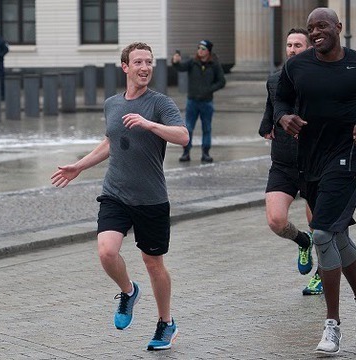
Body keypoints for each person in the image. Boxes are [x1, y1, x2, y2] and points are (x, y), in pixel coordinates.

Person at [51, 42, 189, 351]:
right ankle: (128, 292)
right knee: (106, 251)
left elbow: (183, 136)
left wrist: (150, 124)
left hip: (151, 197)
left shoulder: (160, 104)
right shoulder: (112, 104)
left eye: (149, 62)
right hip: (115, 193)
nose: (144, 67)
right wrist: (79, 166)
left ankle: (165, 323)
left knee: (153, 263)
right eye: (138, 62)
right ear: (125, 67)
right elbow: (111, 142)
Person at [273, 8, 356, 355]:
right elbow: (280, 100)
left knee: (321, 233)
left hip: (348, 157)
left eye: (321, 26)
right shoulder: (296, 66)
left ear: (338, 27)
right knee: (336, 233)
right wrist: (283, 118)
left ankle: (332, 325)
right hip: (310, 159)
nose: (315, 32)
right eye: (311, 28)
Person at [258, 28, 322, 296]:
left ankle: (321, 274)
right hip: (283, 163)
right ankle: (301, 241)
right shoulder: (274, 81)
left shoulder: (321, 81)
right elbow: (270, 110)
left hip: (314, 162)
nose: (292, 49)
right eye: (289, 45)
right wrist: (265, 127)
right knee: (275, 220)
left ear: (308, 49)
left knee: (319, 223)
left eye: (298, 45)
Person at [172, 39, 226, 163]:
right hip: (192, 101)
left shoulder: (214, 64)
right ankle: (186, 152)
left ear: (208, 51)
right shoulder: (193, 62)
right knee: (188, 128)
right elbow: (181, 67)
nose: (200, 51)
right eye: (198, 48)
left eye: (203, 49)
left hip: (207, 102)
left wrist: (209, 89)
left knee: (206, 128)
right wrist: (175, 62)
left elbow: (222, 82)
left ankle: (205, 153)